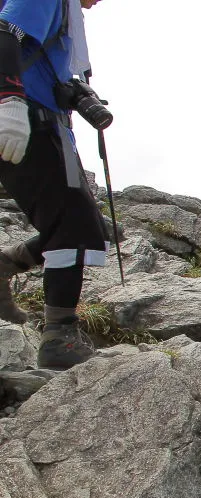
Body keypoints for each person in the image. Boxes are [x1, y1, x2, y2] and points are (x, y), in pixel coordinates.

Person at [0, 0, 110, 369]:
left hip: (38, 120)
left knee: (89, 224)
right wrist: (10, 102)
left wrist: (72, 91)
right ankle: (59, 338)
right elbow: (4, 32)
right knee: (75, 226)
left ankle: (5, 266)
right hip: (27, 120)